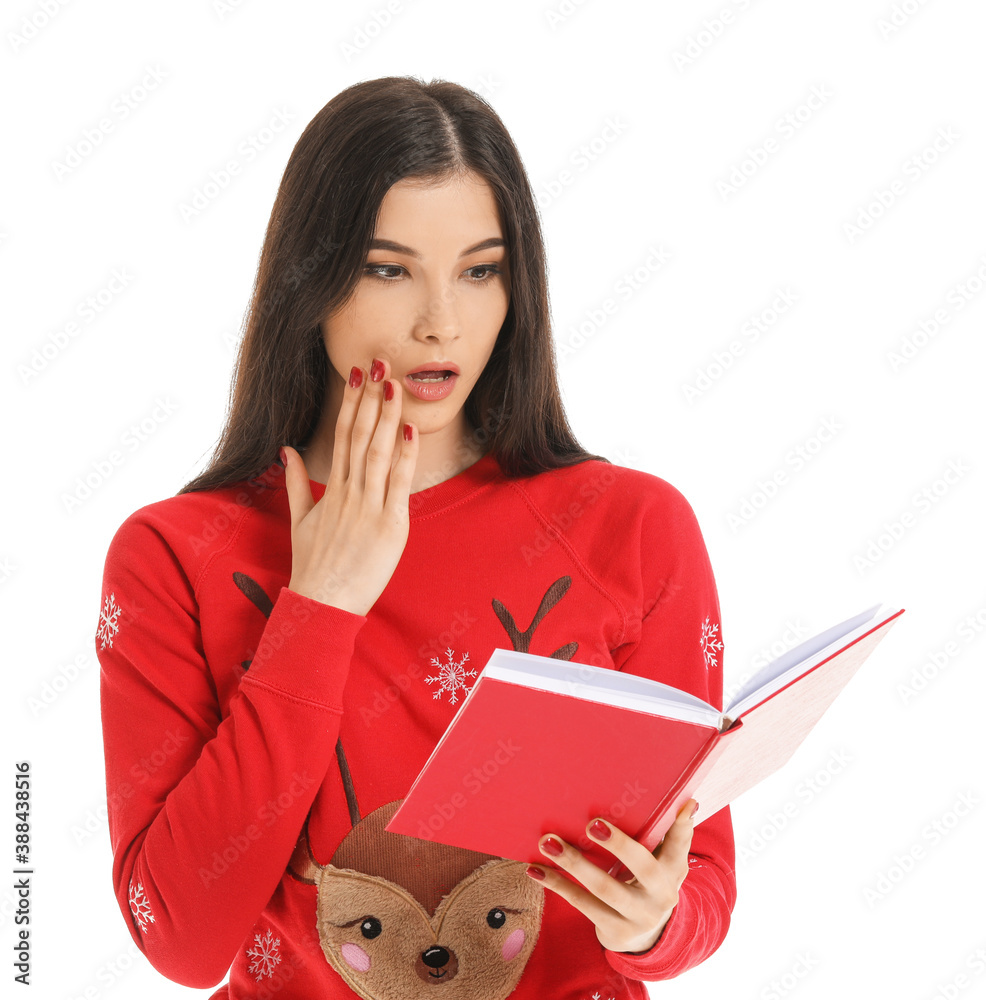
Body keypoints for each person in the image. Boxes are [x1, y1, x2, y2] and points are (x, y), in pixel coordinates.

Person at [95, 75, 736, 1000]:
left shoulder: (631, 527)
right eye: (387, 268)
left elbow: (703, 890)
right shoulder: (174, 556)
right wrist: (317, 607)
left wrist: (655, 921)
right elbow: (180, 946)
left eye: (481, 269)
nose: (443, 321)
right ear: (306, 281)